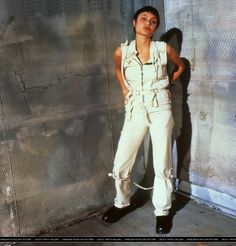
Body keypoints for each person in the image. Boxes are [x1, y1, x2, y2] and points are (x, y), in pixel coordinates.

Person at [102, 6, 185, 234]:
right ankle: (121, 203)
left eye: (153, 21)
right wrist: (124, 90)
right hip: (136, 107)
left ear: (156, 27)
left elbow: (181, 66)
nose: (148, 23)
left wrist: (167, 82)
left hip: (161, 107)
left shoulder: (163, 48)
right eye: (144, 19)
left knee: (162, 162)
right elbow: (118, 71)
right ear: (134, 23)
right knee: (121, 162)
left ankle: (163, 211)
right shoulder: (122, 52)